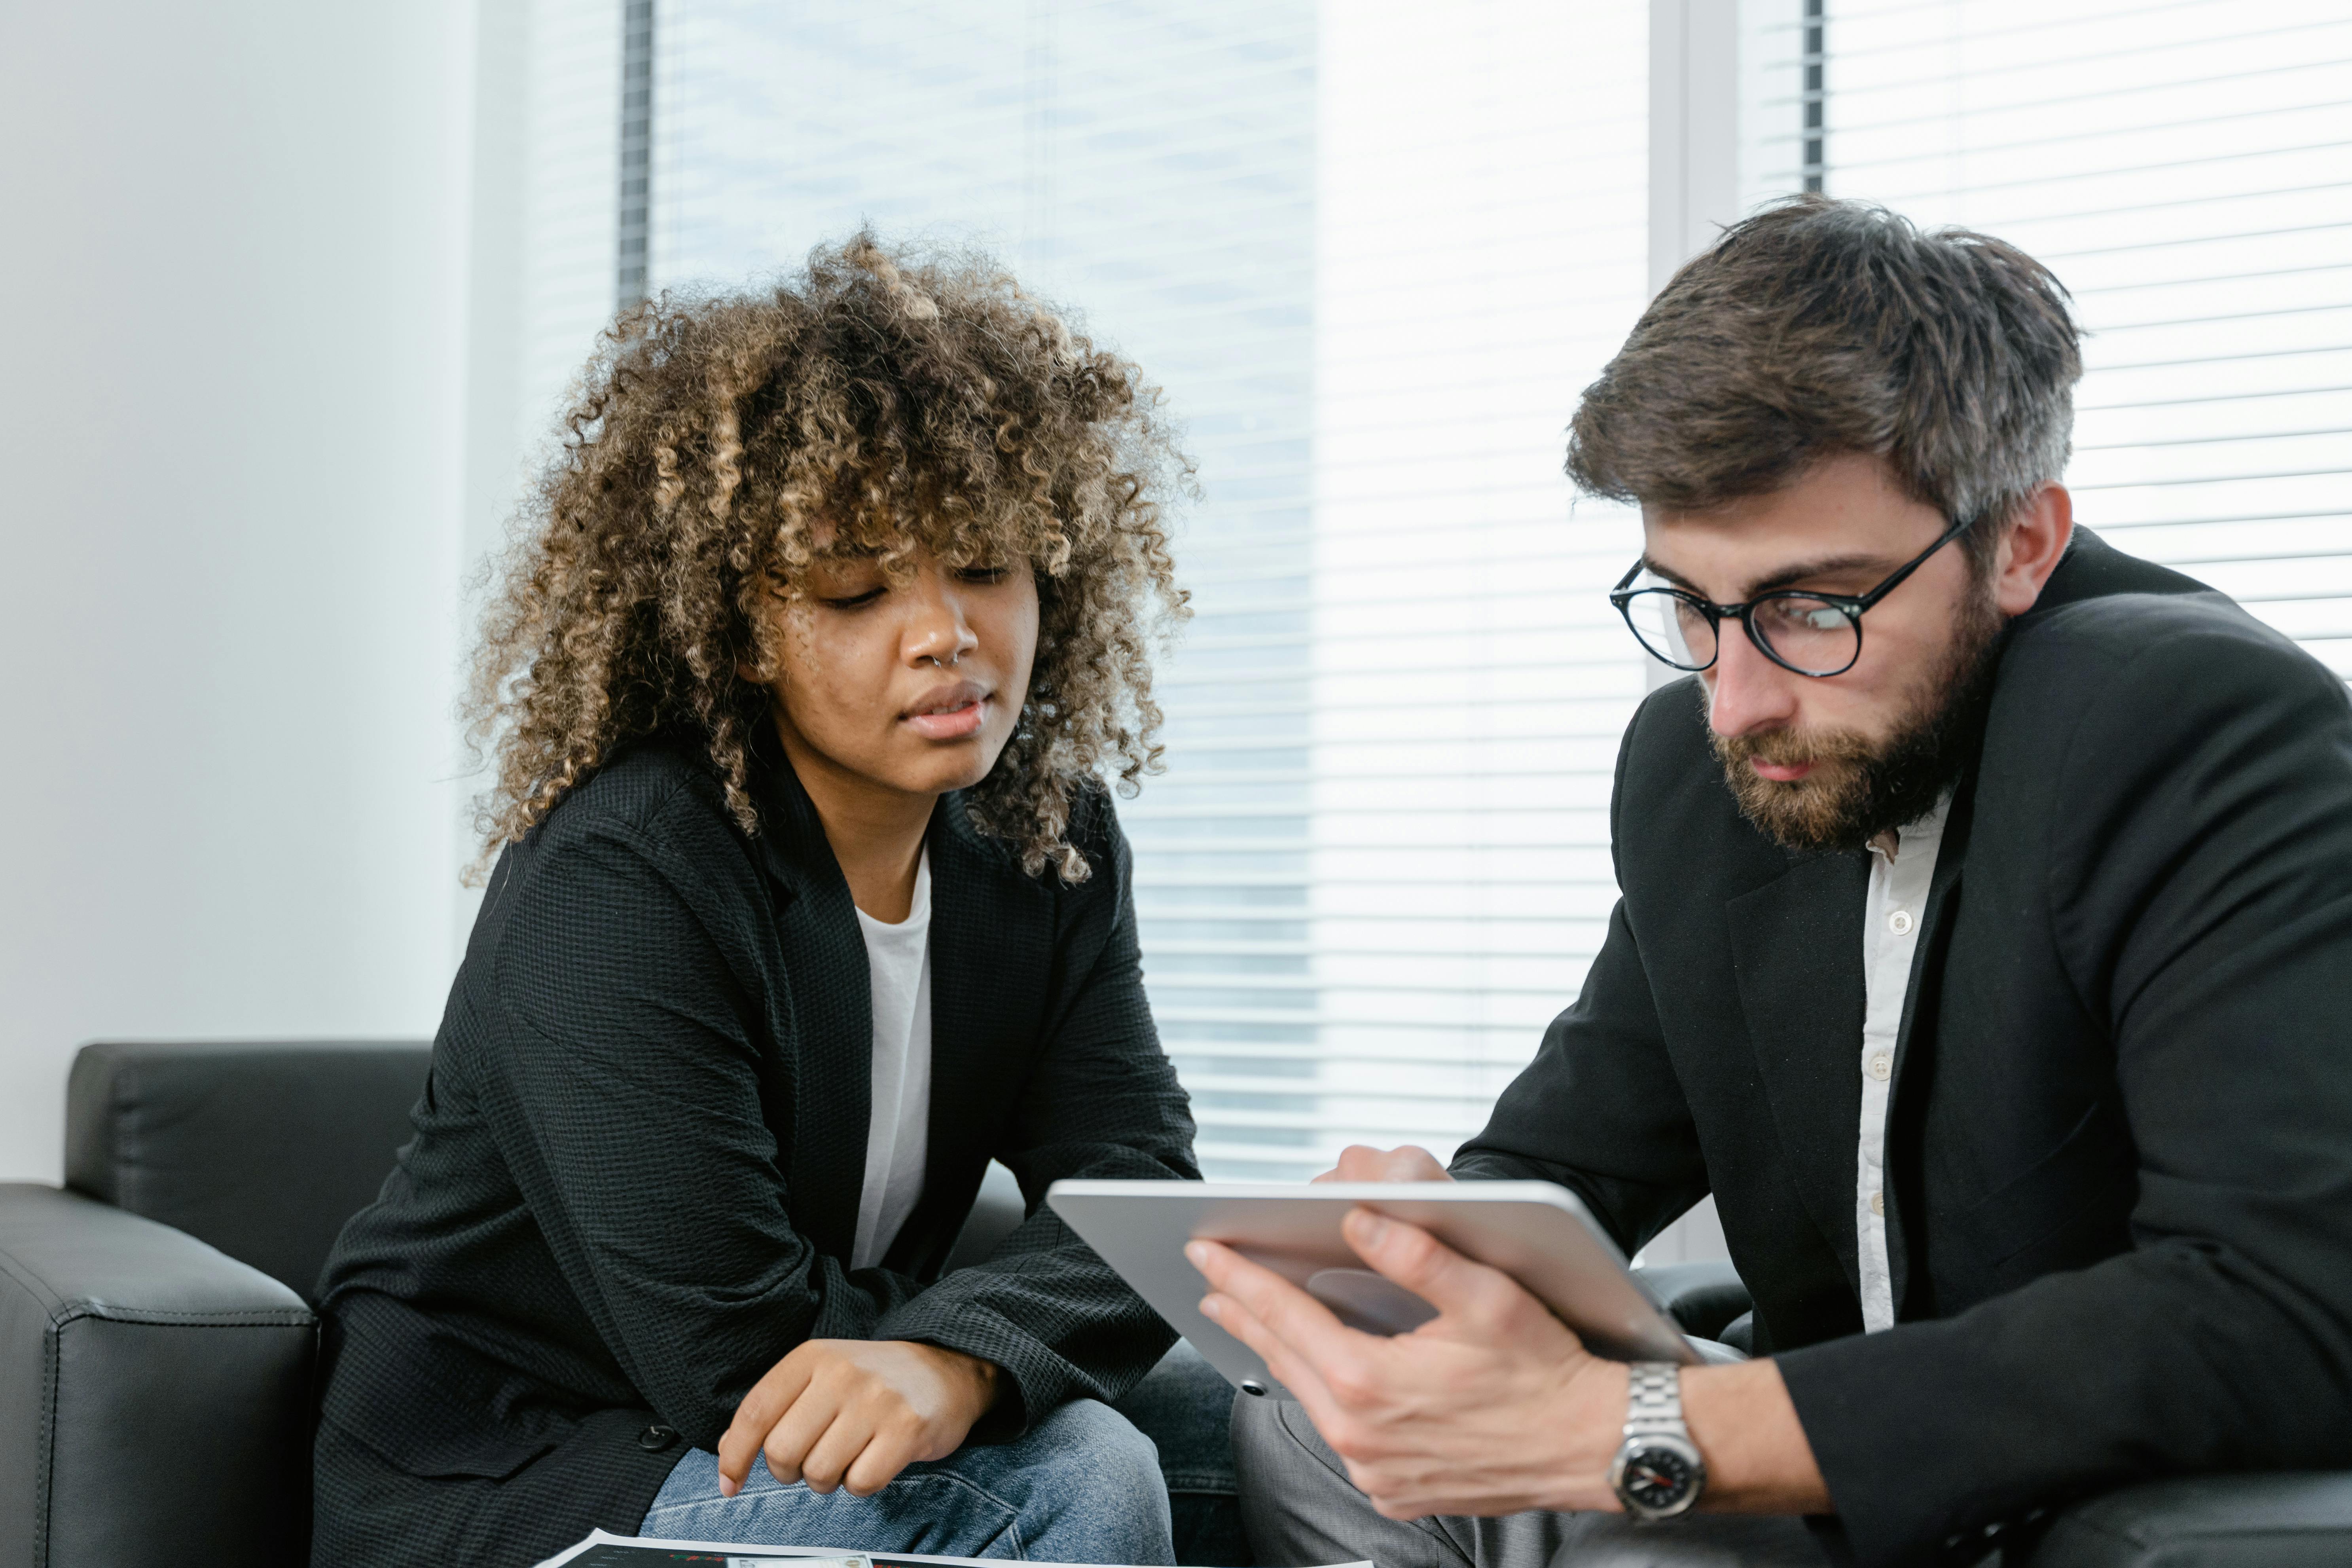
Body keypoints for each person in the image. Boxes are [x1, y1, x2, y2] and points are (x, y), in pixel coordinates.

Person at [1199, 195, 2352, 1568]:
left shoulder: (2190, 722)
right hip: (1801, 1493)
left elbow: (2276, 1303)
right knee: (1317, 1410)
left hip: (2045, 1500)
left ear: (2022, 541)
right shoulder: (1708, 771)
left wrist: (1636, 1430)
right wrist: (1417, 1248)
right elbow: (1574, 1154)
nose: (1734, 698)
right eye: (1690, 605)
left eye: (1815, 607)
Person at [311, 236, 1202, 1568]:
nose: (945, 631)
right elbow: (727, 1352)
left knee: (1285, 1421)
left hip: (790, 1406)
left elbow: (1137, 1195)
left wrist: (963, 1360)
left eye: (985, 563)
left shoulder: (1045, 837)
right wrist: (981, 1345)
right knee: (1071, 1475)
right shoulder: (627, 870)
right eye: (856, 588)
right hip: (523, 1468)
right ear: (738, 626)